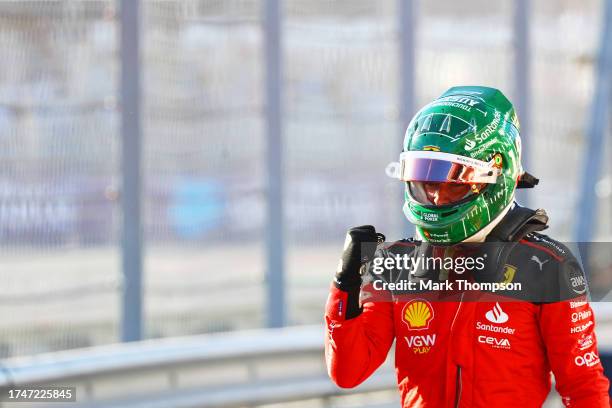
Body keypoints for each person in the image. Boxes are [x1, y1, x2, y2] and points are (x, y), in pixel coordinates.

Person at [324, 86, 610, 407]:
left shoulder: (547, 265)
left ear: (497, 175)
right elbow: (348, 373)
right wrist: (345, 286)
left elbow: (583, 386)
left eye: (453, 183)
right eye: (428, 182)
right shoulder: (397, 262)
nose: (435, 197)